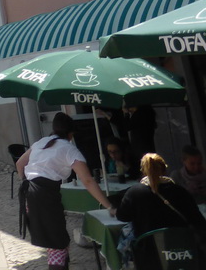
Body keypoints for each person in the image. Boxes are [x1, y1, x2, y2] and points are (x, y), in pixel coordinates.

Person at [16, 112, 116, 270]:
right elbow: (88, 181)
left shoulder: (41, 142)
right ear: (71, 134)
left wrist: (26, 183)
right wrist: (109, 206)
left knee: (56, 240)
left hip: (30, 194)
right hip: (45, 196)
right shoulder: (69, 149)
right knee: (57, 243)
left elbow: (20, 164)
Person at [117, 152, 206, 269]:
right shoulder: (180, 191)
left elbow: (122, 216)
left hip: (148, 255)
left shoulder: (134, 193)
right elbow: (199, 222)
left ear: (143, 171)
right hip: (182, 253)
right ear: (164, 169)